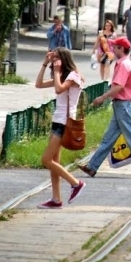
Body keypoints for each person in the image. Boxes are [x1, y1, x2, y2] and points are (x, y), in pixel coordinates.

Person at [79, 36, 131, 179]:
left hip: (123, 106)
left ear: (121, 49)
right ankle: (92, 167)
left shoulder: (122, 65)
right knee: (108, 139)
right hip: (123, 105)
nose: (112, 49)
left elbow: (119, 86)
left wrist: (102, 97)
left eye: (114, 47)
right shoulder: (130, 64)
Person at [34, 48, 86, 208]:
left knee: (46, 160)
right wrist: (44, 64)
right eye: (53, 59)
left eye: (56, 58)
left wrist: (56, 71)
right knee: (54, 161)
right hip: (57, 121)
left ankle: (76, 183)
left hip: (64, 123)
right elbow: (38, 84)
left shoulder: (73, 76)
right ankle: (56, 199)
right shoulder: (62, 76)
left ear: (64, 59)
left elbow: (58, 89)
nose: (54, 62)